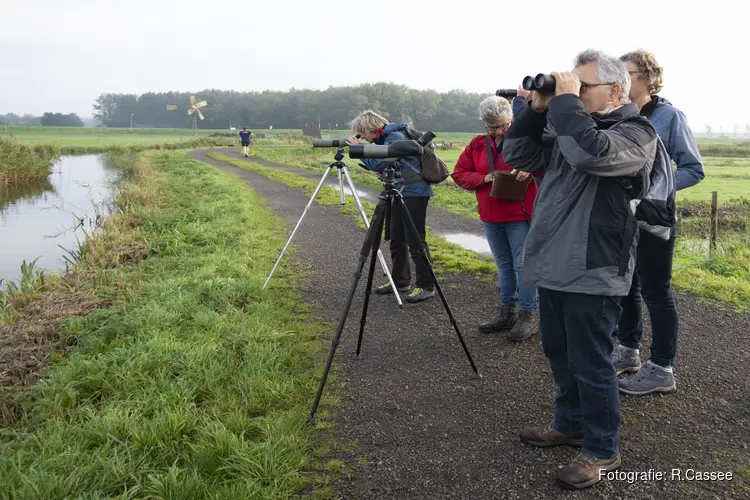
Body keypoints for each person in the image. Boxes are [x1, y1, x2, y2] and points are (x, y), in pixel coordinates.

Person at [502, 49, 661, 489]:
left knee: (592, 362)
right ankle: (569, 423)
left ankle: (602, 447)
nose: (571, 92)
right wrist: (535, 113)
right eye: (571, 85)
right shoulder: (569, 129)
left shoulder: (636, 133)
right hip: (555, 261)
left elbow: (593, 155)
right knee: (559, 353)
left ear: (615, 90)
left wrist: (564, 104)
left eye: (581, 85)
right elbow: (517, 152)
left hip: (595, 265)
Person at [613, 50, 705, 394]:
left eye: (628, 73)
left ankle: (662, 368)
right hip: (623, 218)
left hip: (654, 218)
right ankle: (628, 352)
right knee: (625, 286)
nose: (621, 79)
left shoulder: (668, 117)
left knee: (656, 291)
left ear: (648, 78)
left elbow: (694, 169)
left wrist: (652, 190)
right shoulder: (617, 115)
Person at [451, 95, 539, 341]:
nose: (500, 131)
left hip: (520, 213)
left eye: (504, 125)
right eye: (493, 127)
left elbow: (549, 164)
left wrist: (530, 168)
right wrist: (484, 179)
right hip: (491, 215)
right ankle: (507, 310)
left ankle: (528, 314)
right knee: (503, 264)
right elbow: (458, 174)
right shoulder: (477, 144)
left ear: (512, 119)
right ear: (484, 124)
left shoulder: (525, 139)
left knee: (523, 264)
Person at [347, 110, 435, 303]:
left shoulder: (394, 136)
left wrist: (358, 149)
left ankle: (426, 285)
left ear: (371, 128)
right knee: (397, 238)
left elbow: (379, 163)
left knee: (415, 239)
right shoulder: (388, 137)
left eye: (364, 133)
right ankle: (400, 281)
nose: (365, 138)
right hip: (400, 189)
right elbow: (388, 165)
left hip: (414, 192)